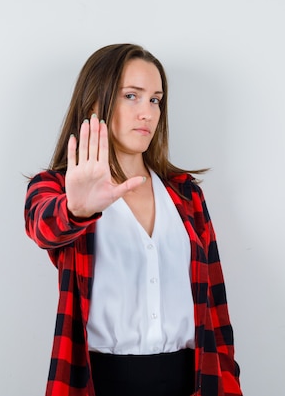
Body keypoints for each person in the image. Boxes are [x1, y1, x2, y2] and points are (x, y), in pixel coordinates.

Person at [24, 43, 242, 396]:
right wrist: (77, 209)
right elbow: (43, 226)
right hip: (101, 382)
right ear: (95, 102)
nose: (148, 113)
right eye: (131, 96)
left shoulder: (186, 196)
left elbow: (216, 313)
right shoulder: (57, 188)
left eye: (155, 99)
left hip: (191, 381)